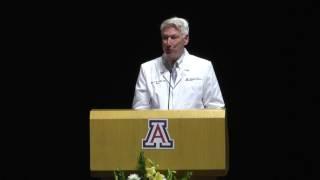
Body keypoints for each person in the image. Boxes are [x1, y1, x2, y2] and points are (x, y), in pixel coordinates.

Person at [132, 16, 225, 110]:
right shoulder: (147, 69)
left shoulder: (204, 67)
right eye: (165, 38)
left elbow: (215, 108)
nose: (168, 43)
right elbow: (140, 110)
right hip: (159, 125)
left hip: (193, 125)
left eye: (173, 37)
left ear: (186, 39)